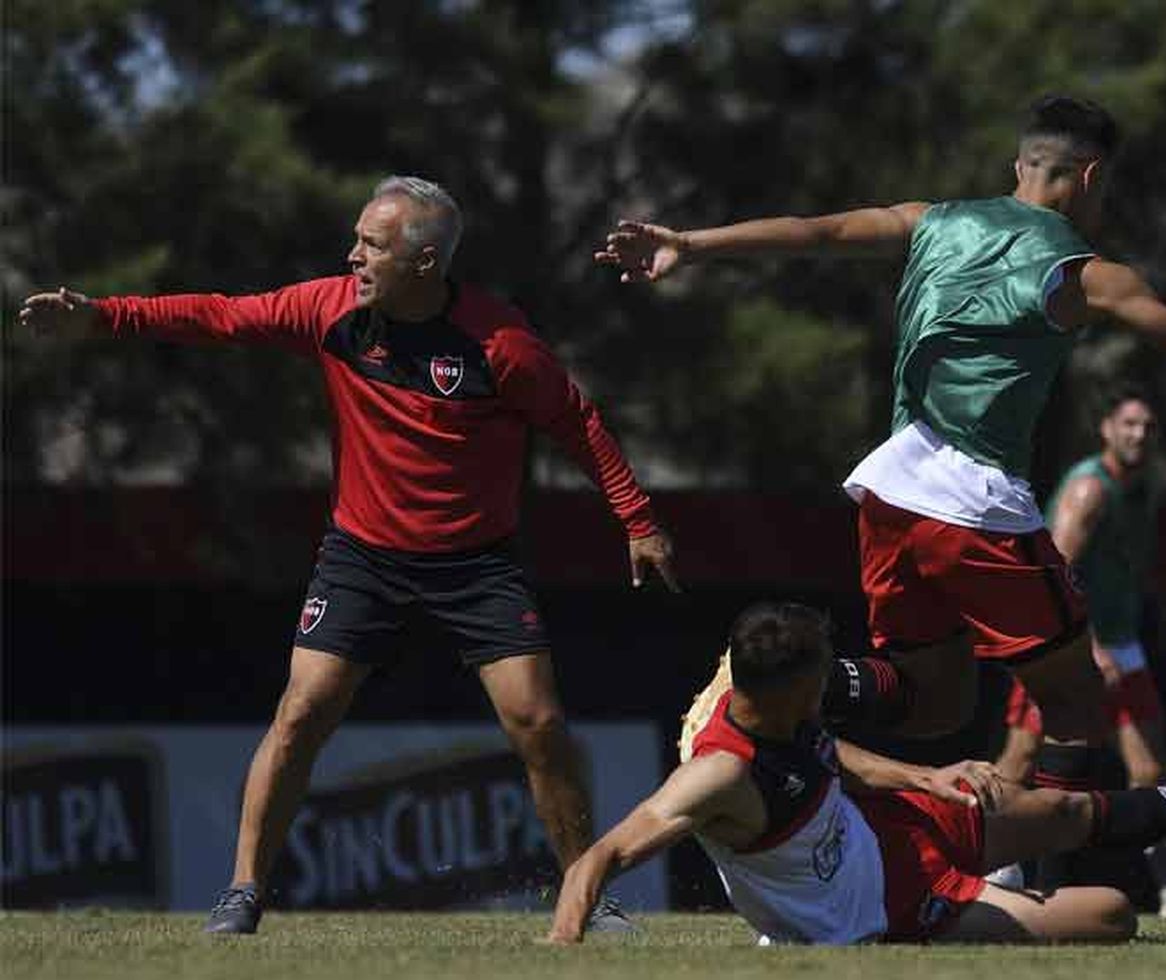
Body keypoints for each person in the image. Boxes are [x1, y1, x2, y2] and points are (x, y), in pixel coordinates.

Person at [593, 94, 1166, 800]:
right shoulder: (1083, 273)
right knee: (1078, 702)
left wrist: (691, 244)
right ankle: (1028, 871)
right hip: (973, 502)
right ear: (1089, 177)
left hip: (887, 493)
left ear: (1020, 166)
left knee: (935, 701)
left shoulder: (930, 222)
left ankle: (778, 679)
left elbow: (818, 230)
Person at [18, 175, 679, 934]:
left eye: (371, 245)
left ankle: (585, 897)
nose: (352, 256)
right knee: (300, 714)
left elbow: (578, 421)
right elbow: (224, 317)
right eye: (356, 241)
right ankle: (241, 896)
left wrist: (638, 519)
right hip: (362, 557)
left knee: (538, 722)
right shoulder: (331, 309)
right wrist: (104, 317)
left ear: (424, 262)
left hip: (477, 564)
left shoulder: (502, 344)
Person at [548, 602, 1166, 945]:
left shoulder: (783, 711)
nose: (832, 686)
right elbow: (599, 859)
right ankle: (991, 901)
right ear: (785, 689)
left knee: (1066, 812)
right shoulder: (719, 774)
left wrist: (926, 778)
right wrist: (561, 948)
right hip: (891, 908)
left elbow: (834, 758)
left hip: (888, 828)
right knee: (1114, 914)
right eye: (820, 678)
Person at [1043, 386, 1166, 914]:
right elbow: (1055, 571)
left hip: (1121, 643)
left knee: (1149, 770)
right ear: (1106, 429)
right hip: (1067, 647)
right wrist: (1087, 645)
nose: (1139, 435)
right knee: (1019, 769)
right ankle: (996, 879)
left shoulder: (1144, 487)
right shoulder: (1089, 489)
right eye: (1129, 424)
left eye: (1148, 427)